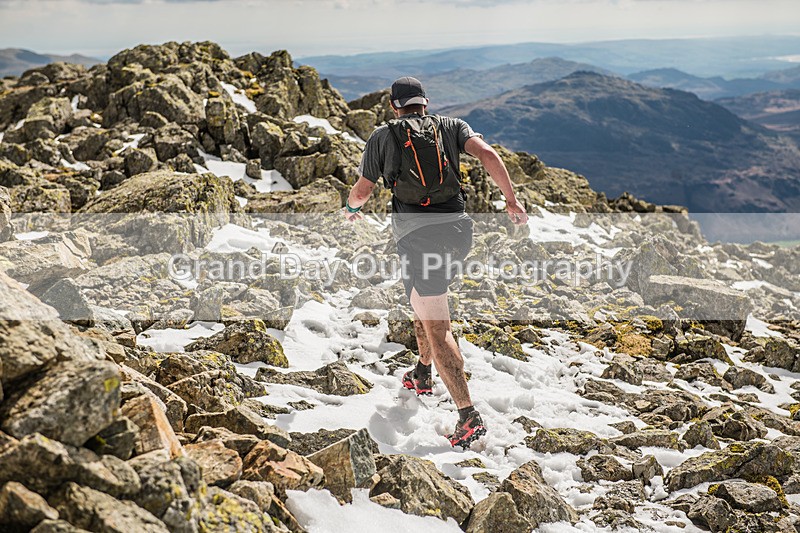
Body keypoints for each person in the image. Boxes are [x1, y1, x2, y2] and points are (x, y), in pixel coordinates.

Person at [344, 76, 528, 448]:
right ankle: (423, 372)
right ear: (424, 103)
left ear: (395, 106)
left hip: (419, 237)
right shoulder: (452, 127)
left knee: (437, 325)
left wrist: (350, 209)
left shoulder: (383, 136)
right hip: (458, 233)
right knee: (421, 300)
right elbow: (490, 156)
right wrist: (511, 200)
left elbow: (363, 190)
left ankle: (467, 416)